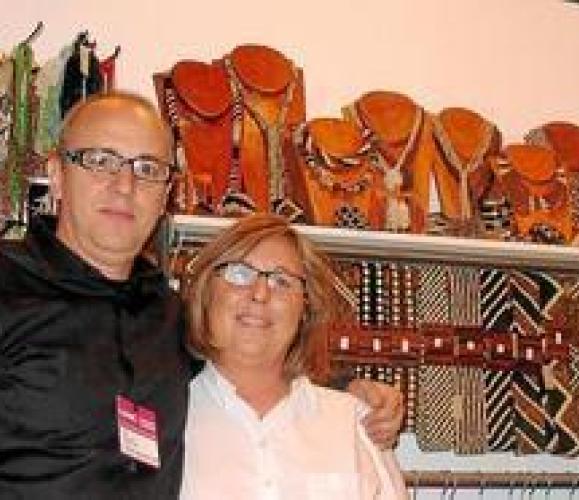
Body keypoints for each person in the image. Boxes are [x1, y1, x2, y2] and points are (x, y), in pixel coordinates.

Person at [0, 92, 403, 498]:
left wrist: (352, 388)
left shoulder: (168, 316)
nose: (125, 185)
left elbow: (251, 352)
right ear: (57, 174)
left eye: (147, 168)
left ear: (166, 194)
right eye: (101, 160)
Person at [180, 213, 408, 499]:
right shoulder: (167, 420)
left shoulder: (353, 423)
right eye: (239, 274)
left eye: (282, 281)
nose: (260, 293)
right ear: (206, 293)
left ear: (305, 309)